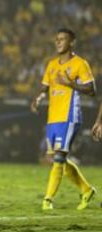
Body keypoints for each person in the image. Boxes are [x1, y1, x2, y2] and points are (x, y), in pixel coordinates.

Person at [31, 28, 96, 210]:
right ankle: (86, 189)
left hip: (69, 117)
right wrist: (38, 98)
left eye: (62, 39)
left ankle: (48, 199)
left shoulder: (80, 64)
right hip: (53, 118)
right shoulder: (51, 64)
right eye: (57, 39)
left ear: (72, 42)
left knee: (59, 157)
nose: (58, 42)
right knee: (56, 158)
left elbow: (92, 90)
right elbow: (45, 87)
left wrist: (71, 84)